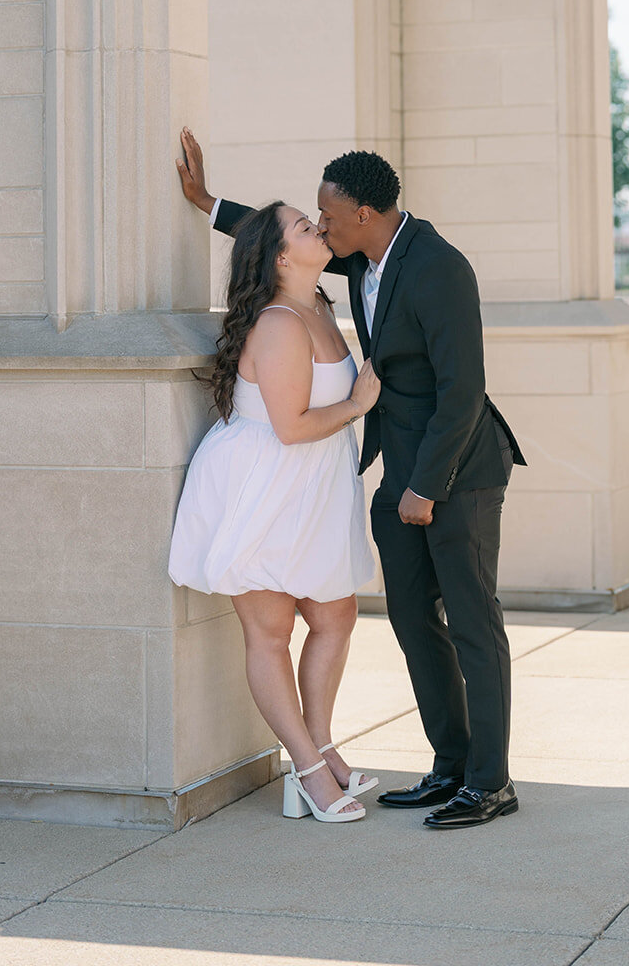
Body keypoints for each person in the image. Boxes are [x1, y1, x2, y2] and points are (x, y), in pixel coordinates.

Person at [177, 130, 527, 829]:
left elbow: (463, 390)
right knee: (411, 621)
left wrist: (425, 486)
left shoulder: (437, 267)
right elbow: (278, 248)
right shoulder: (361, 261)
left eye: (328, 216)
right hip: (399, 474)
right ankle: (449, 766)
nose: (322, 226)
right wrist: (207, 202)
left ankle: (490, 783)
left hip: (456, 471)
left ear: (362, 214)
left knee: (472, 624)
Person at [168, 200, 382, 825]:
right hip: (263, 483)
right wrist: (359, 403)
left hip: (312, 484)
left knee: (336, 613)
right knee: (271, 631)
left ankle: (318, 750)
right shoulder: (282, 323)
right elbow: (290, 427)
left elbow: (262, 232)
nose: (319, 227)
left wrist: (210, 202)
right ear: (283, 256)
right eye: (304, 226)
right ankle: (310, 772)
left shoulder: (317, 302)